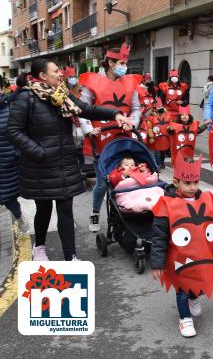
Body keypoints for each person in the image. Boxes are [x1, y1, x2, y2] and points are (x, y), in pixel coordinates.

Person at [7, 58, 132, 261]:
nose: (61, 74)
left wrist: (115, 114)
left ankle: (70, 256)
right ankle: (39, 248)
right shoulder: (26, 98)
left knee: (65, 210)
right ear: (42, 76)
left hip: (65, 163)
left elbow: (88, 109)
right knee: (44, 209)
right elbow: (13, 131)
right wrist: (39, 151)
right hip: (40, 166)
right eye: (56, 71)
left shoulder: (62, 96)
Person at [151, 153, 213, 338]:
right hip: (180, 258)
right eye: (187, 183)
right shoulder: (166, 204)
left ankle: (195, 298)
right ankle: (185, 319)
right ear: (176, 182)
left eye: (196, 183)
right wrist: (158, 263)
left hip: (202, 255)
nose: (192, 187)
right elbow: (159, 236)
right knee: (182, 288)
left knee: (198, 281)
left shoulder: (206, 200)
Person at [78, 43, 142, 233]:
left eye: (126, 63)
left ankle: (123, 213)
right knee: (102, 182)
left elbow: (136, 108)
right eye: (122, 62)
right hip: (100, 140)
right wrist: (89, 128)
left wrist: (133, 122)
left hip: (122, 138)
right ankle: (95, 212)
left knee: (124, 178)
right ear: (111, 63)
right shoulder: (94, 83)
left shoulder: (131, 84)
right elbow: (82, 109)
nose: (125, 66)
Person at [0, 76, 24, 233]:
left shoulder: (11, 107)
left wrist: (18, 154)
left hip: (8, 164)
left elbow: (20, 134)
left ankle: (20, 221)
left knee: (10, 200)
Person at [147, 103, 170, 169]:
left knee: (164, 152)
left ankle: (162, 162)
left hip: (165, 138)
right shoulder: (151, 118)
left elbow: (171, 123)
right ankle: (158, 164)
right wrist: (151, 137)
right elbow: (149, 128)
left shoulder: (168, 117)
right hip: (156, 138)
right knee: (157, 152)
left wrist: (166, 111)